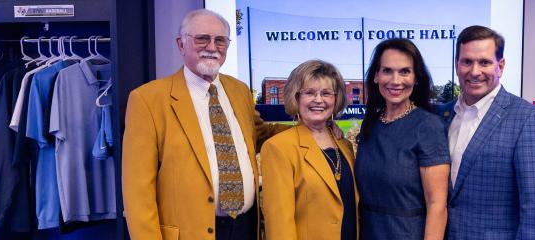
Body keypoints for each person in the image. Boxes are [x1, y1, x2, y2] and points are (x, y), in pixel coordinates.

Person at [122, 9, 293, 240]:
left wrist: (313, 130)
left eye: (220, 40)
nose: (212, 47)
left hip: (245, 227)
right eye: (202, 38)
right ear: (180, 44)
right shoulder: (148, 100)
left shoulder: (239, 90)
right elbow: (137, 193)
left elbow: (261, 134)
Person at [439, 25, 535, 240]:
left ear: (500, 66)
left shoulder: (531, 121)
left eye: (484, 62)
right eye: (467, 61)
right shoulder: (442, 115)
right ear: (457, 65)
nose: (474, 71)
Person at [355, 38, 450, 240]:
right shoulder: (371, 123)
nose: (395, 81)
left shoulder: (428, 126)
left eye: (405, 71)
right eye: (387, 70)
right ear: (376, 76)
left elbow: (437, 206)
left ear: (416, 78)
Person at [260, 60, 357, 240]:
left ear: (336, 99)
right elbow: (279, 226)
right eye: (310, 93)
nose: (318, 100)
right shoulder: (278, 148)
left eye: (326, 93)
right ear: (296, 98)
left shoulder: (344, 146)